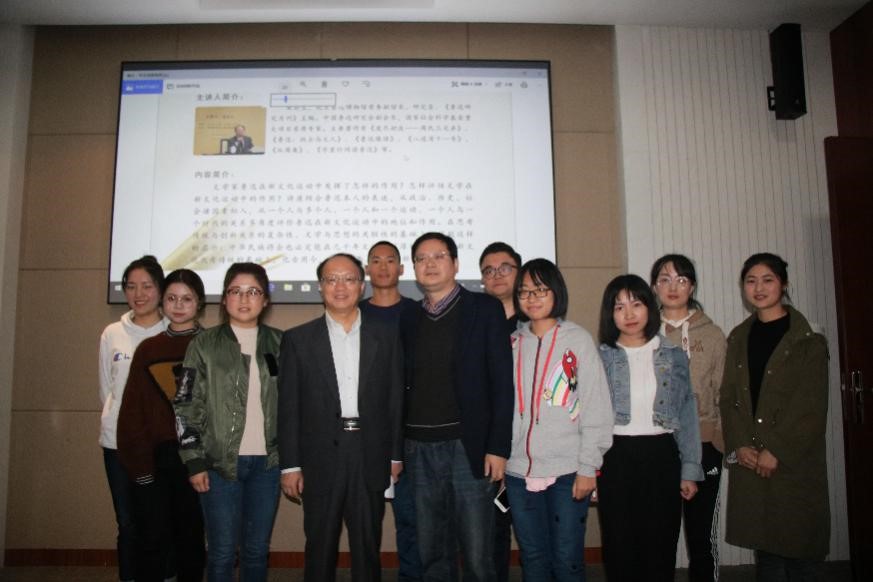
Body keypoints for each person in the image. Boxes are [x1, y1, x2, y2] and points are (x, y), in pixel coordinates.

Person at [279, 253, 404, 582]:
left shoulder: (385, 335)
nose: (340, 287)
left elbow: (394, 399)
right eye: (331, 279)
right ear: (320, 287)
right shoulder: (297, 339)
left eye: (349, 279)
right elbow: (288, 408)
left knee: (367, 545)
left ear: (361, 286)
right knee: (319, 547)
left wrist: (395, 454)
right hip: (319, 456)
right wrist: (290, 465)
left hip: (370, 452)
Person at [404, 232, 514, 582]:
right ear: (414, 268)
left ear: (455, 264)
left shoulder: (484, 309)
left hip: (468, 447)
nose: (430, 264)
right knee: (432, 553)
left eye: (438, 256)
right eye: (422, 258)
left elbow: (502, 383)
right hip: (418, 448)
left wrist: (498, 447)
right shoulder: (408, 317)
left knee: (478, 554)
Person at [719, 253, 830, 580]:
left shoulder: (808, 341)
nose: (759, 288)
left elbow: (810, 407)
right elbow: (729, 398)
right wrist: (739, 444)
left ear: (784, 284)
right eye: (751, 281)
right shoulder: (738, 337)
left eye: (768, 280)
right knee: (765, 550)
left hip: (793, 461)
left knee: (800, 551)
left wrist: (776, 450)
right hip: (752, 457)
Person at [505, 259, 613, 582]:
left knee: (567, 560)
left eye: (540, 290)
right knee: (533, 558)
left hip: (568, 471)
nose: (531, 298)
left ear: (557, 293)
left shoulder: (577, 340)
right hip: (518, 472)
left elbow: (596, 406)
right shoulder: (511, 343)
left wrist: (588, 467)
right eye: (524, 291)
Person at [174, 263, 282, 582]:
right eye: (236, 291)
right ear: (224, 299)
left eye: (253, 291)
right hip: (218, 465)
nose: (244, 299)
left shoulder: (280, 343)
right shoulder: (203, 344)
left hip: (268, 465)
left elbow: (293, 405)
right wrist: (194, 461)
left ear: (265, 300)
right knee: (221, 552)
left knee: (256, 551)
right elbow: (185, 404)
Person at [596, 274, 703, 582]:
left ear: (649, 307)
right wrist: (588, 467)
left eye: (636, 304)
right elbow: (588, 416)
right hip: (615, 457)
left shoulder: (673, 354)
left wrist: (690, 469)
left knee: (659, 546)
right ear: (610, 314)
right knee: (619, 547)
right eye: (619, 307)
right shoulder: (600, 357)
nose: (629, 314)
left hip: (661, 456)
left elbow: (687, 413)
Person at [117, 269, 207, 582]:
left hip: (200, 461)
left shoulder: (212, 346)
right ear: (162, 302)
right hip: (158, 460)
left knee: (191, 540)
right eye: (171, 298)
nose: (178, 306)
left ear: (199, 303)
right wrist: (140, 467)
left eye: (187, 299)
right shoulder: (148, 349)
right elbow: (133, 412)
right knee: (152, 540)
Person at [650, 254, 726, 582]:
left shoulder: (712, 334)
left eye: (681, 279)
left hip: (704, 444)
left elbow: (724, 391)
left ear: (692, 286)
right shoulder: (644, 332)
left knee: (700, 537)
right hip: (658, 444)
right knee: (658, 537)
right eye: (664, 279)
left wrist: (719, 441)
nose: (673, 287)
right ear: (654, 286)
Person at [99, 255, 167, 582]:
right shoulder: (112, 333)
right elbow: (106, 388)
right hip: (117, 442)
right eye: (130, 286)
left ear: (160, 289)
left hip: (162, 445)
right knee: (127, 522)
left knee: (161, 521)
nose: (138, 294)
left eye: (147, 286)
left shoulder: (173, 330)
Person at [359, 240, 422, 582]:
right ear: (366, 269)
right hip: (365, 432)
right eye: (375, 260)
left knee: (411, 518)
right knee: (365, 521)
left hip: (412, 431)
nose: (383, 267)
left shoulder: (418, 312)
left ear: (401, 268)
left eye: (390, 260)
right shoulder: (354, 313)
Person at [479, 241, 522, 581]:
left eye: (504, 268)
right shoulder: (473, 323)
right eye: (488, 270)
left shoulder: (537, 321)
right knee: (491, 530)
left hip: (529, 440)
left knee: (534, 534)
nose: (497, 275)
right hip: (488, 442)